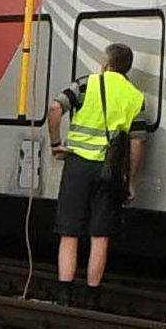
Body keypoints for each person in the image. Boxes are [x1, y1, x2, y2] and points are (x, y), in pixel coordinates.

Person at [52, 44, 148, 302]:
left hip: (78, 166)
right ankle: (92, 295)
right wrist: (131, 179)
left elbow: (55, 109)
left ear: (106, 63)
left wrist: (55, 143)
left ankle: (64, 293)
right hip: (110, 171)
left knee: (70, 232)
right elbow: (137, 143)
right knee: (100, 235)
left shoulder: (86, 84)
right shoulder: (135, 96)